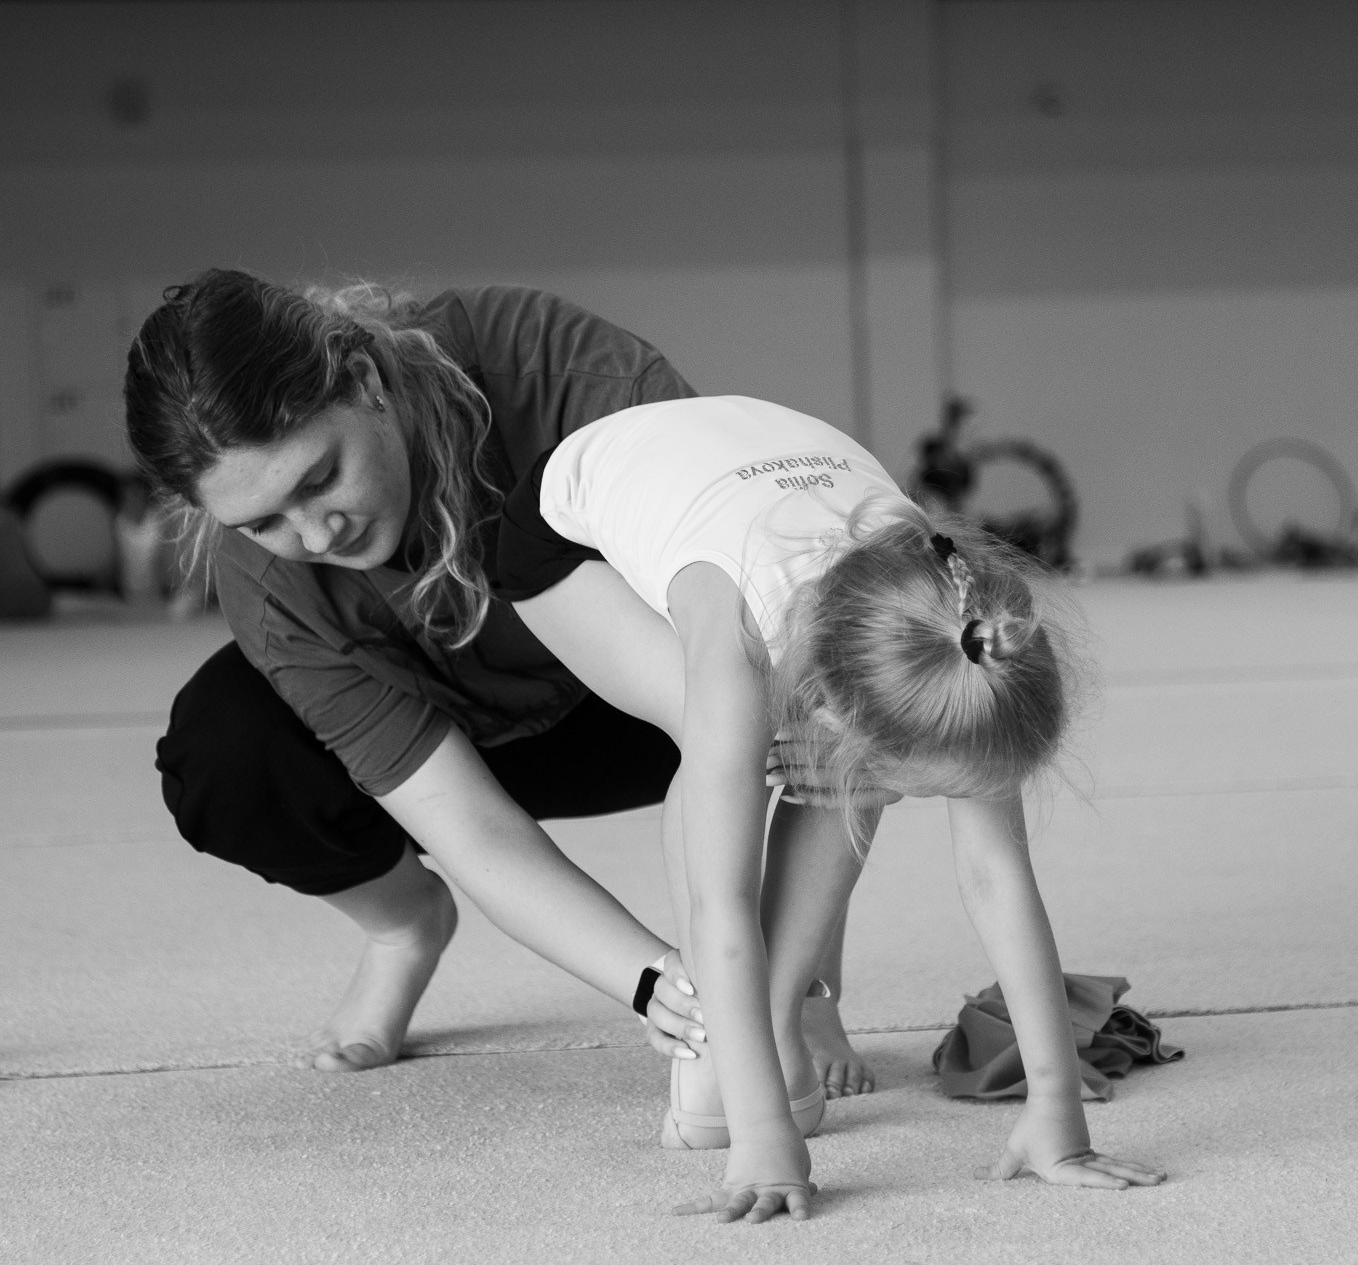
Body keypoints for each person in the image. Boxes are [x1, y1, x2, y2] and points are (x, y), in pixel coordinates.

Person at [122, 272, 871, 1087]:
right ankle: (404, 927)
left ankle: (805, 992)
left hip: (640, 698)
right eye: (264, 522)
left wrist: (790, 987)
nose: (317, 534)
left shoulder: (564, 374)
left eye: (318, 478)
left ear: (364, 382)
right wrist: (657, 984)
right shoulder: (270, 585)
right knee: (224, 749)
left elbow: (783, 641)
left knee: (816, 708)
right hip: (467, 744)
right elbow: (471, 829)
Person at [497, 394, 1167, 1224]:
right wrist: (762, 1134)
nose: (928, 803)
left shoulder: (970, 643)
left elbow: (996, 877)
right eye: (923, 788)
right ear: (840, 707)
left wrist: (1055, 1113)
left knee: (846, 775)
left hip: (750, 470)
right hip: (561, 535)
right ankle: (711, 1038)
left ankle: (780, 1011)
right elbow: (720, 904)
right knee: (722, 749)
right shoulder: (738, 641)